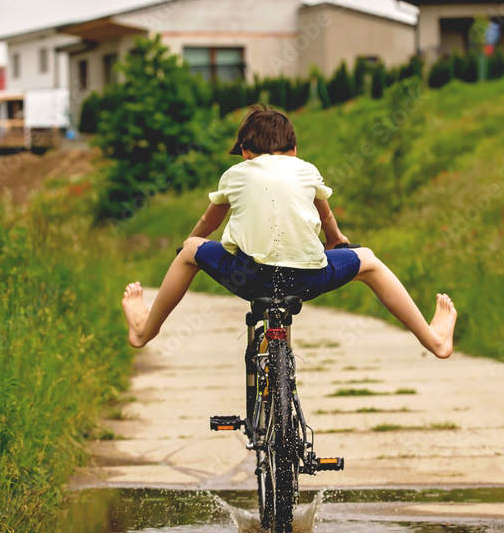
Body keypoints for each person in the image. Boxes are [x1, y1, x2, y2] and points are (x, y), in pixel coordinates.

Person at [122, 105, 456, 357]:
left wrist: (189, 246)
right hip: (307, 278)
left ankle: (144, 330)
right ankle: (433, 339)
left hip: (249, 276)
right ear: (294, 150)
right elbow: (325, 216)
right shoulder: (306, 170)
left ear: (245, 151)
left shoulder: (237, 173)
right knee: (368, 261)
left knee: (193, 250)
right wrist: (337, 242)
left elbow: (209, 223)